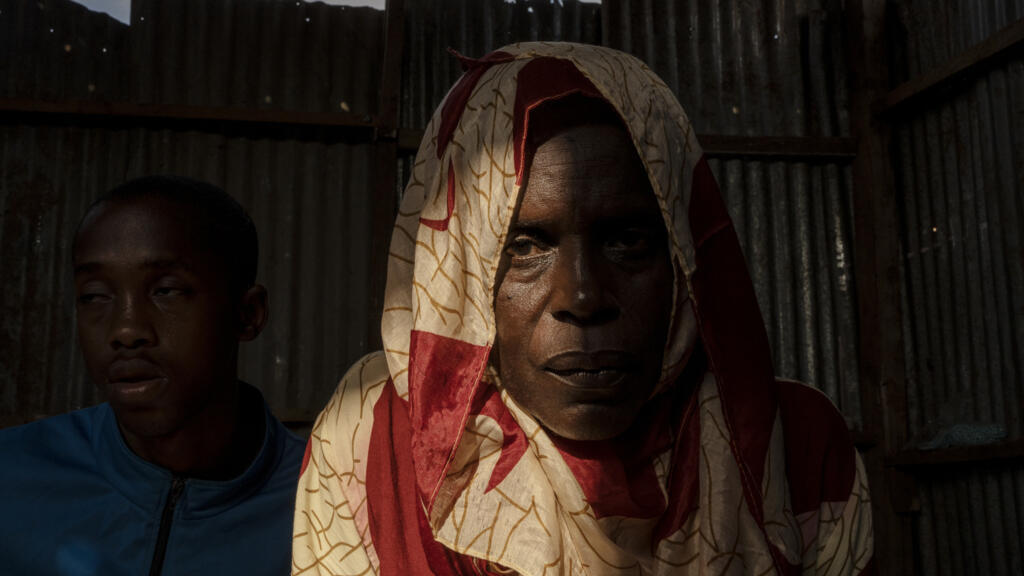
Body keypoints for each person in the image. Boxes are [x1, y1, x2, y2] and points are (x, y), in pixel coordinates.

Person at [292, 43, 873, 575]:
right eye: (522, 248)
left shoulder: (793, 445)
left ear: (682, 253)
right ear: (459, 273)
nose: (583, 298)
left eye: (628, 241)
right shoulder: (373, 440)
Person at [0, 176, 305, 575]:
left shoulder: (324, 505)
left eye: (167, 290)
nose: (125, 330)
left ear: (247, 314)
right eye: (94, 296)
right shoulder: (12, 477)